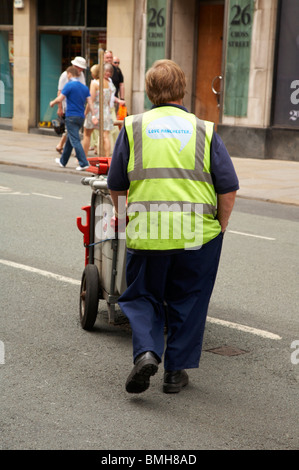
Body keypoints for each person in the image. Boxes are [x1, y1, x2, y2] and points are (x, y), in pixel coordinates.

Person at [107, 59, 239, 394]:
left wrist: (124, 220)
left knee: (141, 296)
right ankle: (174, 373)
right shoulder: (204, 130)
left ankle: (148, 351)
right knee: (188, 299)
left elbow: (116, 183)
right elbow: (228, 188)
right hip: (198, 235)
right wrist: (220, 227)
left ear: (150, 91)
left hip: (148, 232)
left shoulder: (133, 127)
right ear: (182, 89)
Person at [49, 66, 97, 171]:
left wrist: (53, 102)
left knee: (75, 140)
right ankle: (63, 161)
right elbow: (90, 103)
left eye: (67, 74)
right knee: (71, 139)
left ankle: (84, 163)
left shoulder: (69, 85)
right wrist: (93, 115)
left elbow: (60, 98)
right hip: (80, 117)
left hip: (71, 116)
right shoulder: (84, 87)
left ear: (70, 74)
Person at [55, 56, 87, 154]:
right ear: (74, 66)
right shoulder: (65, 75)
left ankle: (61, 146)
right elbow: (60, 92)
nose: (80, 70)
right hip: (68, 105)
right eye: (79, 67)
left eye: (82, 68)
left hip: (78, 106)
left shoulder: (81, 75)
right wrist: (60, 108)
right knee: (71, 128)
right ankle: (73, 151)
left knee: (71, 128)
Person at [82, 63, 115, 158]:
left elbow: (90, 100)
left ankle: (83, 157)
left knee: (87, 133)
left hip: (95, 110)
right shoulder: (108, 83)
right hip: (105, 110)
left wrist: (86, 112)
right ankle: (107, 157)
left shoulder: (94, 83)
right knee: (105, 135)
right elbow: (108, 101)